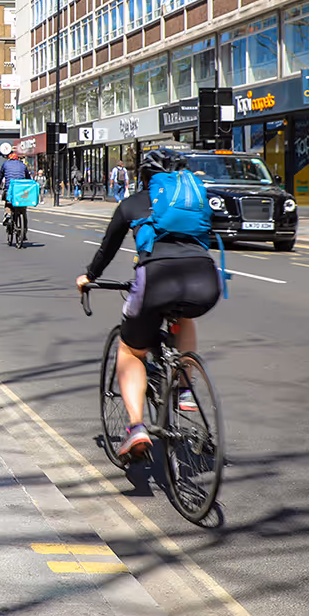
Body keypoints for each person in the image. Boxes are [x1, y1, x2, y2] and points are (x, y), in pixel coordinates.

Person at [75, 149, 221, 463]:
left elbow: (107, 249)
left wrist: (89, 276)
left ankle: (136, 427)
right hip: (205, 279)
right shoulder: (194, 201)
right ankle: (184, 390)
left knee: (130, 350)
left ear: (143, 177)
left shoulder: (132, 204)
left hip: (157, 279)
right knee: (182, 316)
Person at [0, 150, 34, 228]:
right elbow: (28, 178)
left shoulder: (5, 164)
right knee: (23, 210)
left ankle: (8, 214)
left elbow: (0, 176)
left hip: (9, 189)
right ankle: (24, 233)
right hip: (21, 190)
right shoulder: (23, 165)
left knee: (8, 202)